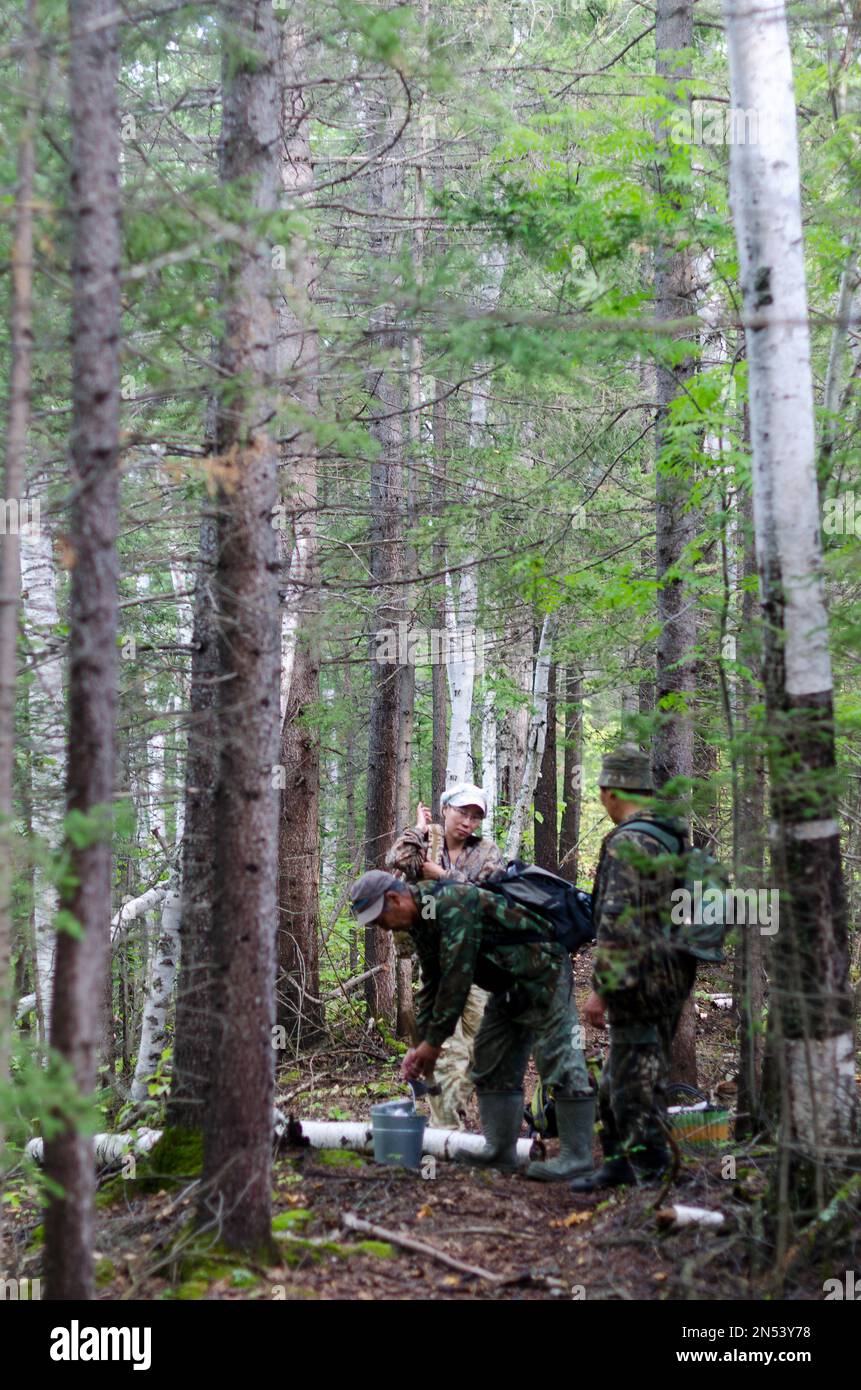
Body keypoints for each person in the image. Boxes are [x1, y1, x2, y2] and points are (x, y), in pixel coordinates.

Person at [348, 870, 594, 1176]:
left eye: (379, 919)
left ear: (394, 899)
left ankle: (577, 1156)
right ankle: (500, 1150)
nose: (380, 927)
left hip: (541, 972)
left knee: (558, 1057)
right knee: (490, 1059)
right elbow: (433, 983)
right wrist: (419, 1045)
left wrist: (433, 1044)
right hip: (505, 983)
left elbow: (457, 977)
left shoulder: (451, 902)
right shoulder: (423, 919)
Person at [569, 743, 697, 1192]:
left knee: (634, 1081)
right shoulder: (673, 835)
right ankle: (621, 1163)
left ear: (610, 791)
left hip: (638, 982)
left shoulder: (629, 842)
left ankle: (653, 1170)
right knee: (626, 1073)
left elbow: (619, 923)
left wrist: (602, 988)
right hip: (673, 976)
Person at [385, 783, 503, 1129]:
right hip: (437, 961)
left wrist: (443, 876)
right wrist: (418, 831)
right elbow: (396, 860)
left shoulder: (486, 851)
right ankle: (446, 1126)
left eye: (476, 817)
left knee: (480, 1044)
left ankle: (456, 1107)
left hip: (479, 963)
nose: (468, 822)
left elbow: (491, 898)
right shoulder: (425, 844)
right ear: (445, 809)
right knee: (443, 1044)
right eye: (462, 812)